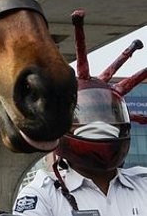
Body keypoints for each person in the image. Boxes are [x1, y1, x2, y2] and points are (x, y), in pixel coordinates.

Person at [11, 90, 147, 215]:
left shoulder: (143, 182)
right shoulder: (42, 193)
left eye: (107, 114)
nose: (100, 123)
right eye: (87, 114)